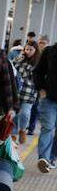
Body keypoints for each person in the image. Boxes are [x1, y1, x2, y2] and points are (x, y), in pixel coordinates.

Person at [30, 36, 57, 172]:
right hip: (49, 98)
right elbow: (37, 71)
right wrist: (40, 88)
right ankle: (44, 158)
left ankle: (52, 157)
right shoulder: (50, 52)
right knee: (48, 127)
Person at [12, 40, 40, 145]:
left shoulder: (38, 62)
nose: (28, 51)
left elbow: (29, 74)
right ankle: (13, 134)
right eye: (26, 49)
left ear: (36, 51)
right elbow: (13, 66)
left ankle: (22, 129)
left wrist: (21, 66)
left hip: (30, 92)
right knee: (15, 113)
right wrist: (20, 57)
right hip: (17, 89)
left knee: (24, 113)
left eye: (30, 49)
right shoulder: (21, 58)